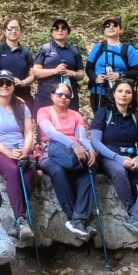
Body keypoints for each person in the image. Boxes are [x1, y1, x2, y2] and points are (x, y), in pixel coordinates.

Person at [90, 80, 138, 238]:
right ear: (113, 93)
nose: (124, 95)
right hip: (108, 156)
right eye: (120, 91)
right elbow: (96, 142)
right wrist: (118, 159)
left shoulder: (136, 116)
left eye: (128, 92)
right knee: (119, 172)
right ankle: (135, 213)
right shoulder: (103, 113)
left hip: (133, 156)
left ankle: (137, 217)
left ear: (133, 95)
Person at [36, 82, 97, 238]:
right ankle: (74, 218)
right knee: (58, 171)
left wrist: (90, 150)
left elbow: (82, 136)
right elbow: (50, 132)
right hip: (49, 152)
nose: (63, 98)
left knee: (90, 169)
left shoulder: (76, 115)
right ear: (52, 95)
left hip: (73, 153)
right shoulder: (44, 111)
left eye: (67, 95)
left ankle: (79, 219)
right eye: (59, 94)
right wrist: (73, 144)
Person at [0, 70, 37, 240]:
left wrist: (25, 152)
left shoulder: (22, 106)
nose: (4, 86)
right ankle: (21, 218)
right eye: (0, 83)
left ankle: (18, 223)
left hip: (21, 149)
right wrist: (9, 153)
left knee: (29, 174)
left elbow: (29, 133)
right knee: (13, 172)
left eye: (8, 83)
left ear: (13, 86)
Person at [86, 16, 138, 112]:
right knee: (100, 121)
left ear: (120, 30)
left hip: (121, 94)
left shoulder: (128, 49)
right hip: (99, 92)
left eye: (115, 25)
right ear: (104, 31)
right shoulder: (98, 48)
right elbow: (89, 69)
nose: (111, 27)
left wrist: (120, 75)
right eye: (107, 25)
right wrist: (95, 78)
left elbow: (137, 71)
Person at [32, 18, 85, 113]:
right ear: (52, 32)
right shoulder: (45, 49)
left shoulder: (74, 50)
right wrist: (54, 71)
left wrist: (72, 73)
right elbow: (35, 72)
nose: (60, 30)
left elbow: (81, 74)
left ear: (68, 32)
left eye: (63, 28)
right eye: (56, 28)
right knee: (44, 124)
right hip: (47, 94)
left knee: (69, 124)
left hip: (68, 95)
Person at [0, 16, 35, 106]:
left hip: (23, 95)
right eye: (10, 28)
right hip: (2, 96)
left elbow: (32, 76)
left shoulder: (25, 52)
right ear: (4, 31)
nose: (14, 31)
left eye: (17, 28)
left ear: (20, 32)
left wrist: (22, 83)